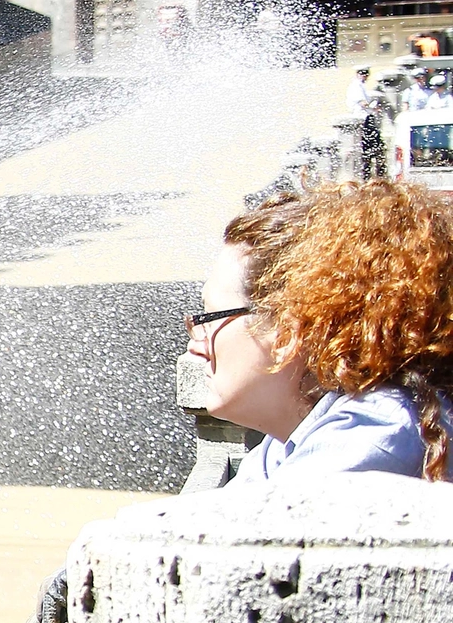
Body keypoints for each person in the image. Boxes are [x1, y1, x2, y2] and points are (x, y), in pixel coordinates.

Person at [185, 181, 453, 483]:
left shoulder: (371, 436)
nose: (196, 344)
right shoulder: (287, 443)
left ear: (286, 335)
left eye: (209, 319)